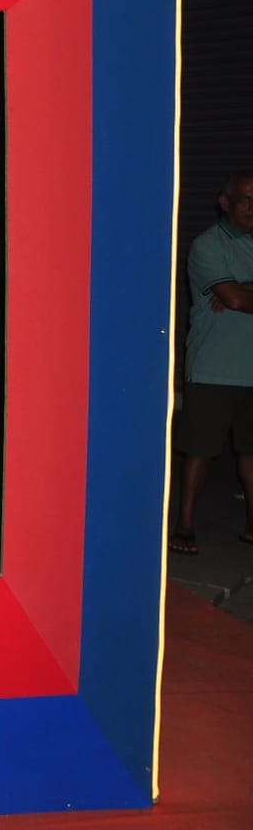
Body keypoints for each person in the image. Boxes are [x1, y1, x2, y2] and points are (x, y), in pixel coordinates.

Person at [172, 170, 253, 554]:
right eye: (246, 199)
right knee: (200, 450)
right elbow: (234, 300)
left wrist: (240, 286)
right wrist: (235, 292)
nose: (252, 207)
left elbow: (236, 294)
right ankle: (184, 525)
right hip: (214, 367)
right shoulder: (208, 245)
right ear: (225, 202)